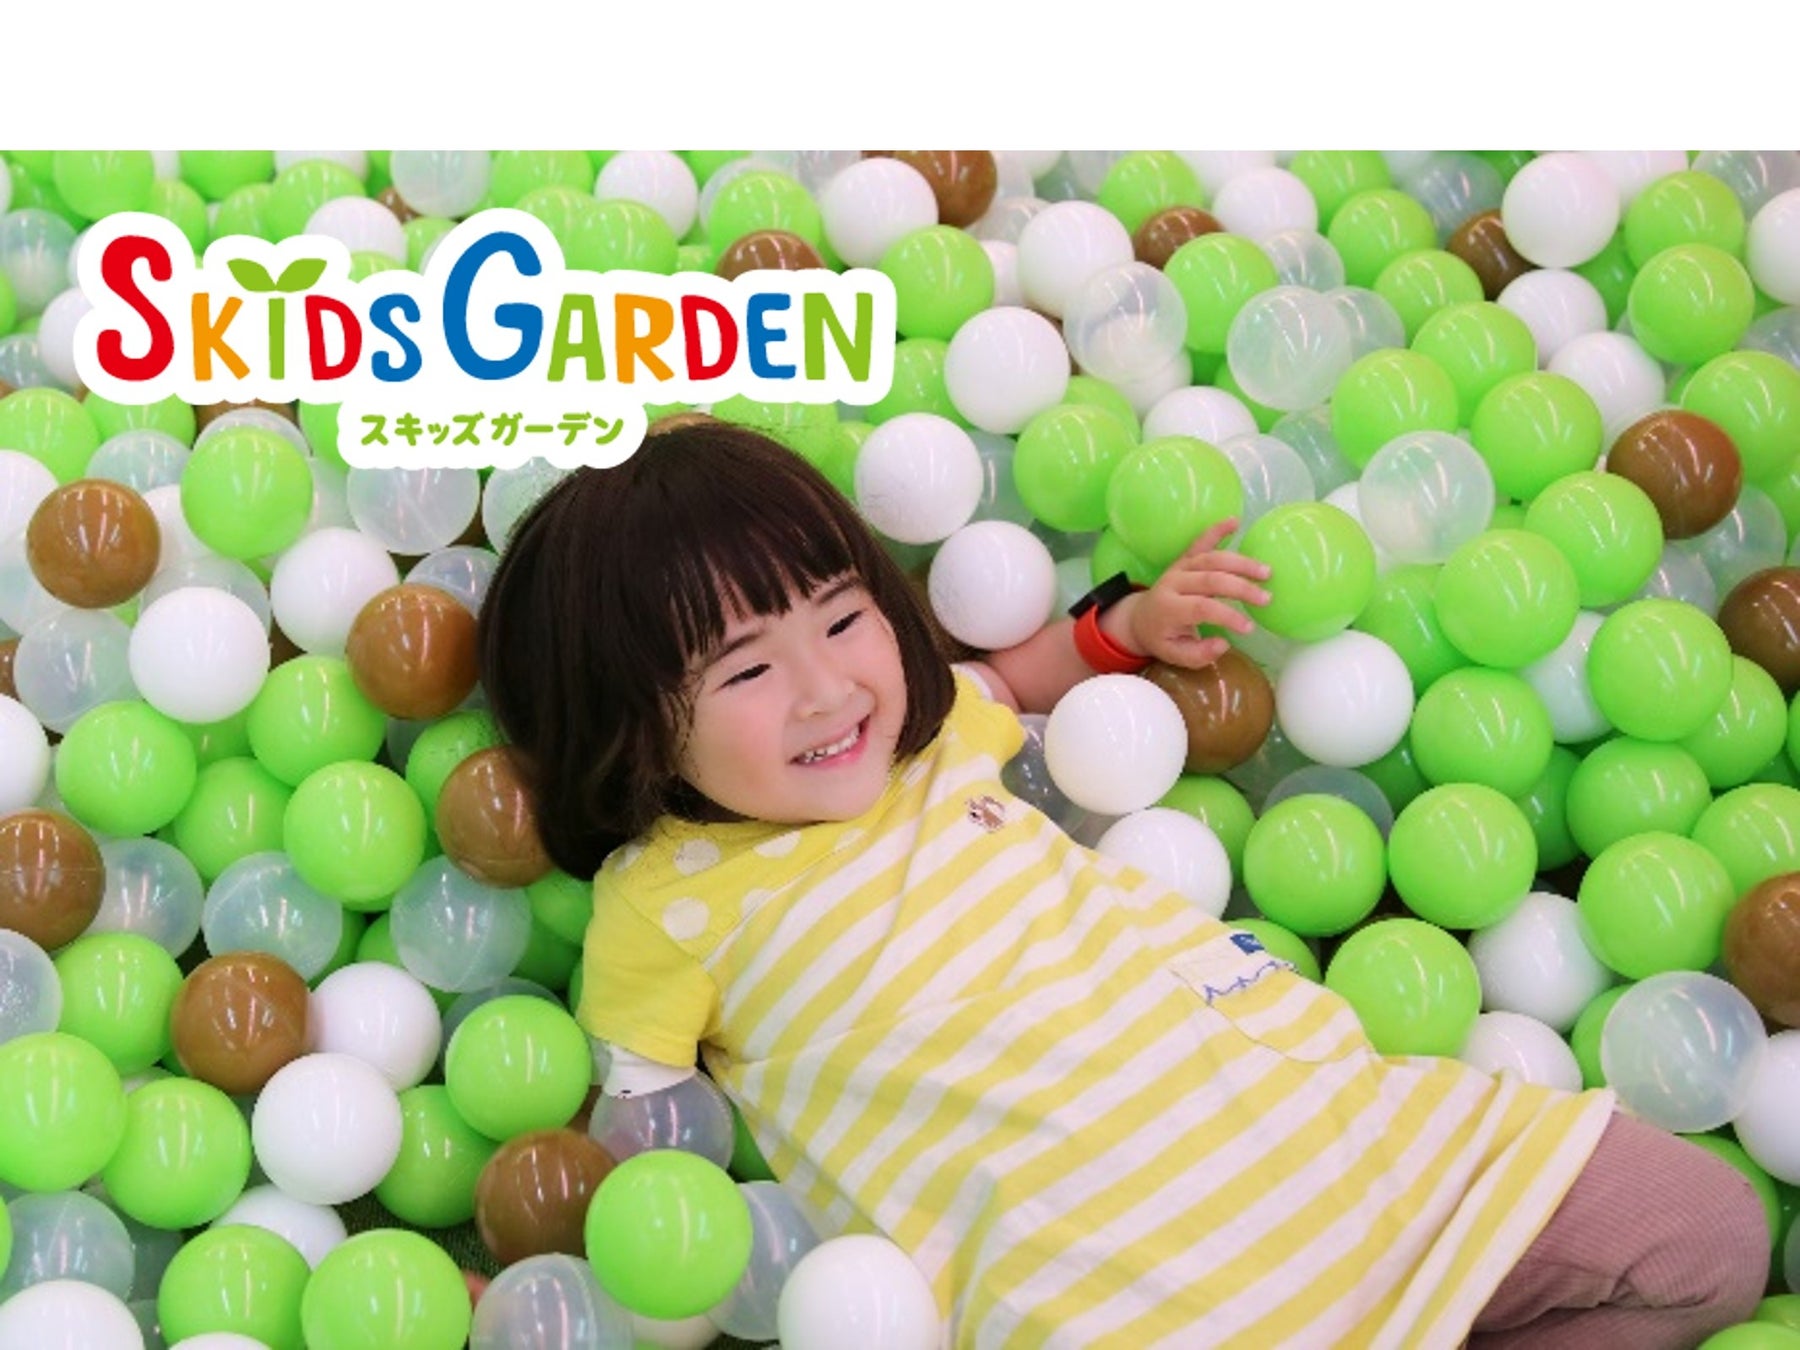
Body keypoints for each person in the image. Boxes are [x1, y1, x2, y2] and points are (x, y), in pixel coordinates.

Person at [477, 417, 1768, 1350]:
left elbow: (1014, 672)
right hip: (1107, 1278)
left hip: (1331, 1133)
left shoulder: (931, 736)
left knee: (1708, 1232)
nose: (827, 690)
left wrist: (1130, 628)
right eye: (747, 671)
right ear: (630, 729)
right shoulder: (664, 900)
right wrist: (557, 1282)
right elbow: (642, 1139)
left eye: (842, 615)